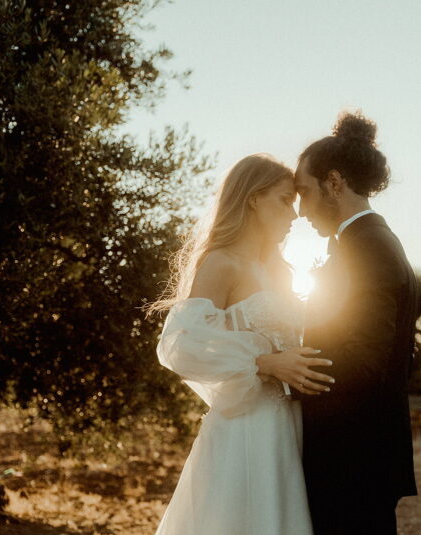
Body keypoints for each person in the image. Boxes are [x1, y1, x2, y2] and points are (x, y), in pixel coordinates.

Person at [148, 153, 334, 535]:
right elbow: (180, 344)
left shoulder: (278, 270)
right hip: (245, 426)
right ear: (253, 198)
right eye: (285, 200)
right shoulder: (221, 263)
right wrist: (264, 364)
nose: (294, 215)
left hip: (287, 424)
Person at [289, 111, 419, 534]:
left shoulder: (368, 248)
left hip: (353, 456)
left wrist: (284, 377)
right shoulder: (366, 241)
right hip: (355, 452)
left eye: (304, 193)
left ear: (334, 182)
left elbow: (365, 360)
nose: (301, 210)